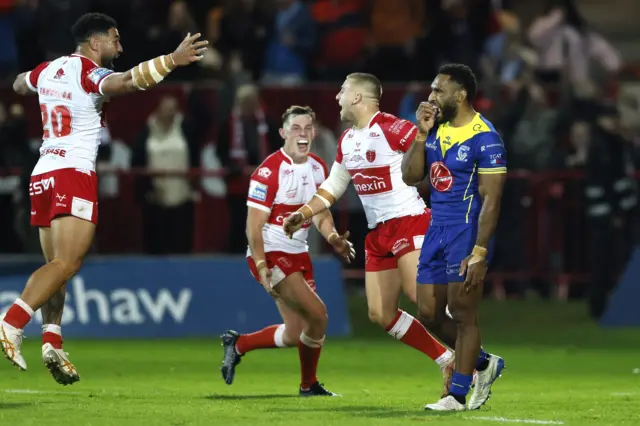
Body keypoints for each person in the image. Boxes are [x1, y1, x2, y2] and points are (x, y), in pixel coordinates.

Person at [2, 13, 207, 384]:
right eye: (115, 39)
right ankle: (12, 322)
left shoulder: (48, 70)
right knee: (67, 264)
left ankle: (52, 342)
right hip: (73, 173)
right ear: (95, 43)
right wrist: (171, 61)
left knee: (55, 269)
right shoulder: (87, 73)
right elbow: (127, 81)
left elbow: (18, 84)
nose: (120, 46)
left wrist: (41, 85)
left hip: (43, 172)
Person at [282, 73, 455, 397]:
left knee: (422, 299)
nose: (337, 97)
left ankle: (474, 354)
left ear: (359, 98)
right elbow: (332, 187)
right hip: (379, 234)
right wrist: (302, 214)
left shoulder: (392, 127)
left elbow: (432, 151)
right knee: (380, 313)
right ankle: (448, 359)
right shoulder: (347, 140)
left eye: (343, 91)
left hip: (409, 221)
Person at [220, 105, 354, 396]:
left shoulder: (318, 167)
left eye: (308, 128)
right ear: (283, 133)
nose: (302, 133)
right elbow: (253, 226)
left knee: (295, 333)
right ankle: (309, 385)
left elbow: (320, 214)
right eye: (296, 128)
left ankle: (238, 344)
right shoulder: (268, 171)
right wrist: (261, 264)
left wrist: (332, 237)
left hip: (299, 253)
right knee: (319, 315)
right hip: (271, 253)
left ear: (314, 133)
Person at [401, 64, 507, 411]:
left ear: (459, 95)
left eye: (438, 90)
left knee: (463, 313)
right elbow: (411, 176)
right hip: (436, 229)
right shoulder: (435, 130)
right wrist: (420, 134)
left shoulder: (485, 137)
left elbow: (492, 199)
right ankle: (484, 363)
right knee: (428, 313)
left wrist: (479, 251)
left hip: (466, 231)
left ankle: (458, 395)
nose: (431, 97)